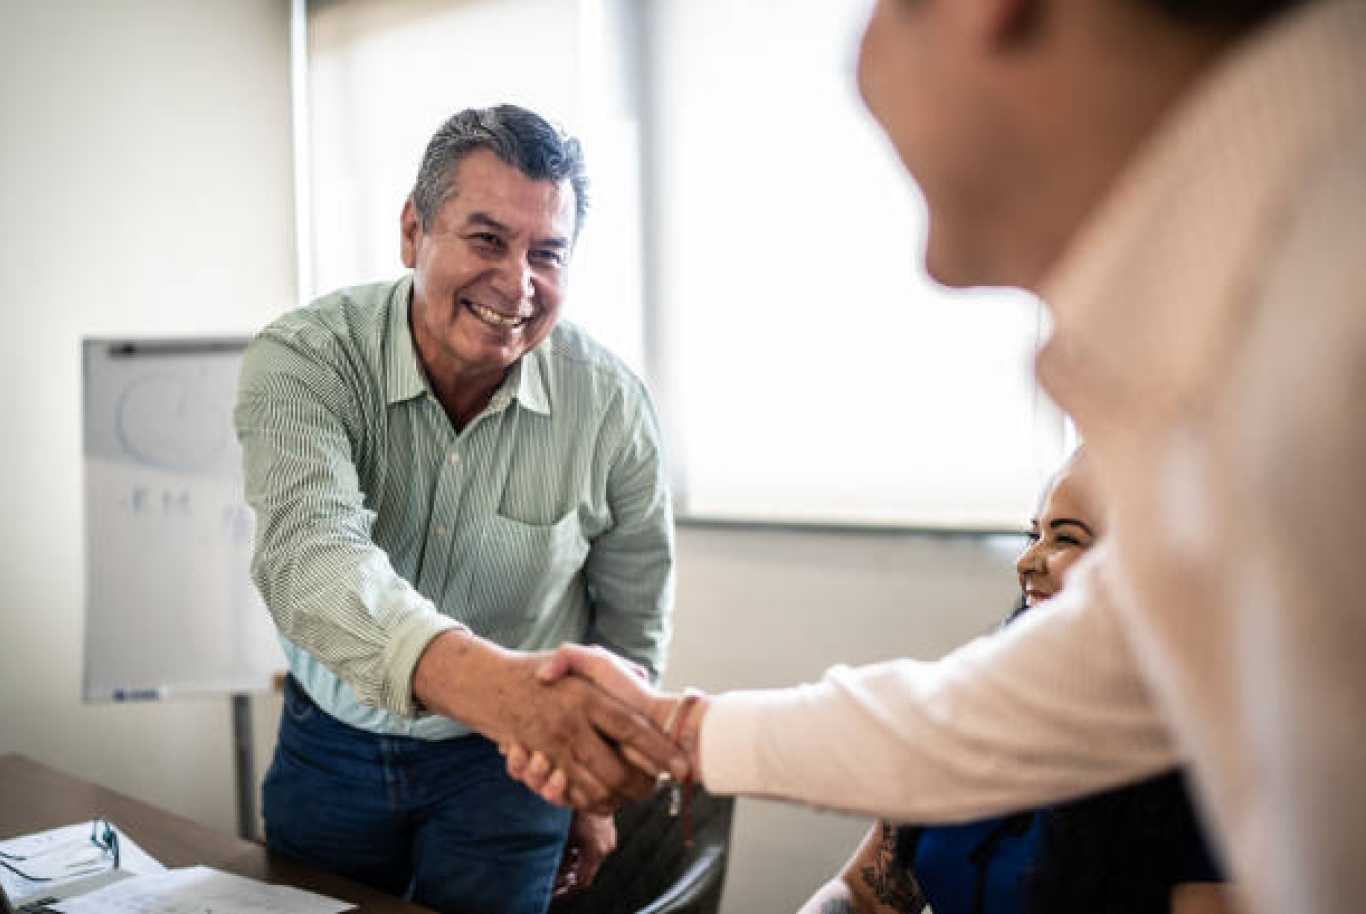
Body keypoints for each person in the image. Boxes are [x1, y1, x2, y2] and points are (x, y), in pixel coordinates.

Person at [509, 3, 1366, 913]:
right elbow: (1010, 707)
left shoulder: (1328, 323)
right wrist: (676, 730)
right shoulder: (1246, 330)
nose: (859, 65)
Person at [233, 104, 686, 914]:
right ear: (413, 231)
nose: (517, 283)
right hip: (330, 743)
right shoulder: (306, 357)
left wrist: (593, 782)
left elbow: (633, 614)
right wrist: (506, 691)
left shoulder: (610, 403)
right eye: (487, 240)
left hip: (510, 768)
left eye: (547, 253)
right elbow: (312, 560)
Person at [798, 451, 1232, 914]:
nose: (1027, 561)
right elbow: (865, 895)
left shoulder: (1212, 772)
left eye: (1065, 538)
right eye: (1033, 535)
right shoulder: (970, 707)